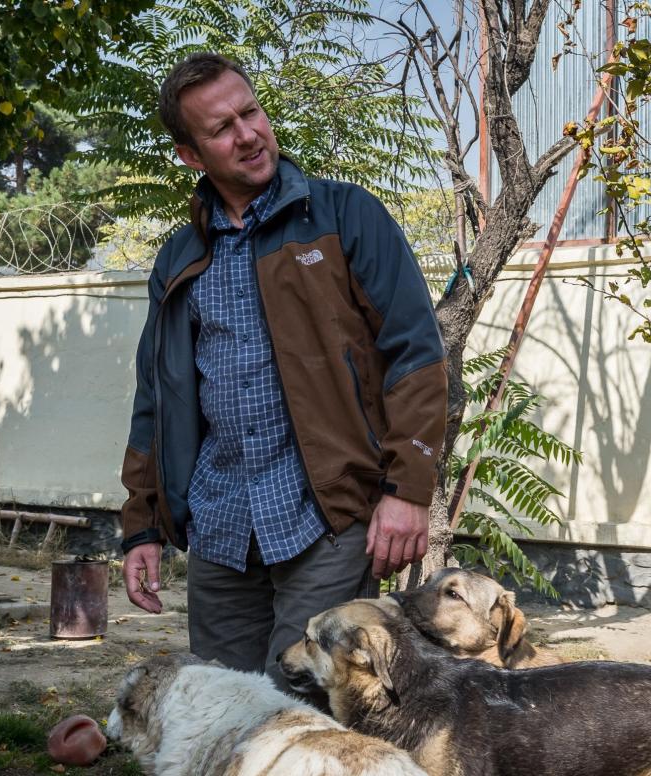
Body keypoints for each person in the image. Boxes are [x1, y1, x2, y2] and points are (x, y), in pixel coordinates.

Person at [116, 52, 447, 691]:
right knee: (221, 710)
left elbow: (416, 352)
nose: (247, 135)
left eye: (251, 112)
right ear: (191, 154)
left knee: (305, 714)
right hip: (218, 524)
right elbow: (157, 397)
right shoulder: (181, 257)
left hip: (324, 517)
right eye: (221, 128)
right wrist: (143, 525)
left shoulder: (346, 217)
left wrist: (408, 489)